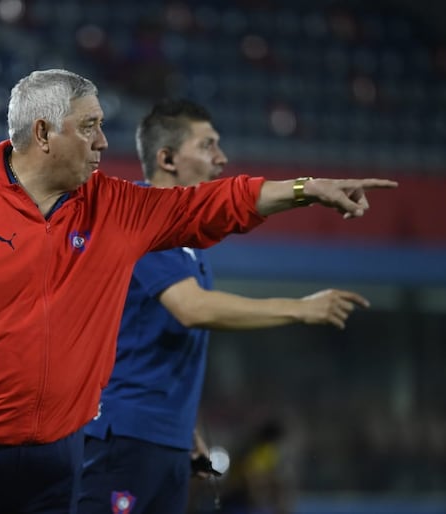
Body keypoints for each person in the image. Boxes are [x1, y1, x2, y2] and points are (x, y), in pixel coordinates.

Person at [0, 69, 396, 514]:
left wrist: (308, 190)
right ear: (45, 132)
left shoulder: (117, 209)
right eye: (91, 127)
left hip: (56, 459)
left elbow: (216, 203)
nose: (103, 142)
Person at [78, 99, 370, 514]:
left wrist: (187, 430)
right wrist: (300, 308)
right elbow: (191, 308)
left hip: (166, 439)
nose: (222, 157)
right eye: (208, 145)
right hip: (125, 436)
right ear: (167, 159)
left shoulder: (190, 245)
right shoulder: (137, 223)